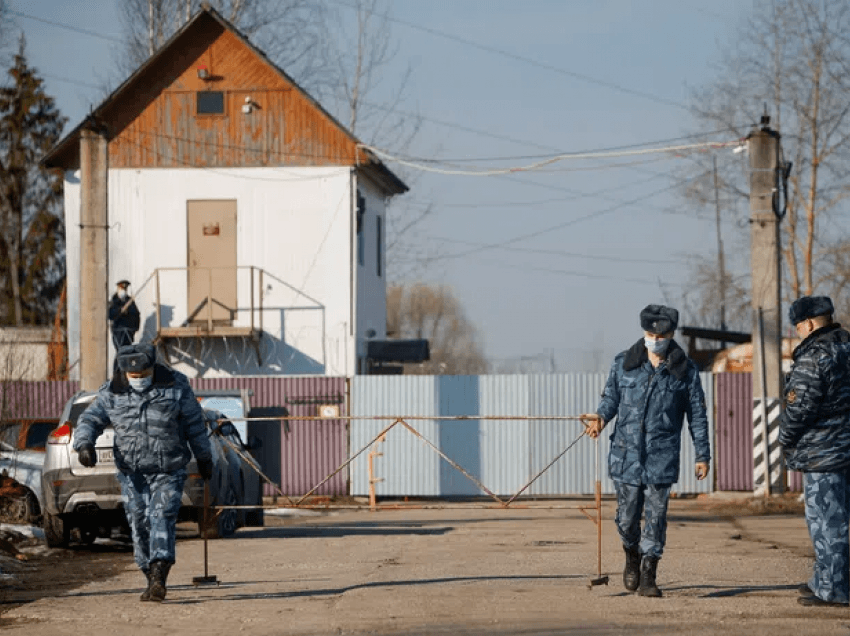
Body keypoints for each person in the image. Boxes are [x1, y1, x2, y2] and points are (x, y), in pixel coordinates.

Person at [581, 304, 710, 598]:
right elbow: (610, 400)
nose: (655, 338)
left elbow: (698, 416)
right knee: (627, 518)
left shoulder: (685, 371)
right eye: (651, 333)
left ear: (671, 334)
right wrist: (599, 420)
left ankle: (650, 573)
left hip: (661, 457)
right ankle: (632, 556)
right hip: (625, 456)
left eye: (661, 334)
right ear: (644, 332)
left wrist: (703, 455)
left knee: (656, 516)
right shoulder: (623, 363)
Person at [72, 343, 214, 603]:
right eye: (133, 377)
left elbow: (195, 423)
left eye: (143, 374)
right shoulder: (111, 392)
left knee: (162, 516)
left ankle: (160, 572)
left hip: (168, 469)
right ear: (125, 372)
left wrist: (204, 457)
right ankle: (149, 573)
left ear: (152, 368)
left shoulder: (176, 387)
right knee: (139, 523)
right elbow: (90, 419)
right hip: (132, 473)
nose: (138, 379)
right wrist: (84, 444)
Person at [779, 295, 850, 608]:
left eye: (797, 326)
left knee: (825, 522)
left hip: (824, 454)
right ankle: (823, 580)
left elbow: (799, 409)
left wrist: (785, 438)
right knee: (837, 519)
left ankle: (833, 590)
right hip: (845, 449)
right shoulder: (846, 347)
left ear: (807, 323)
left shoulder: (814, 355)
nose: (797, 332)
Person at [108, 280, 140, 350]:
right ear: (118, 289)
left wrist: (134, 329)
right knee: (120, 352)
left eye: (125, 289)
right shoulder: (114, 301)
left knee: (126, 352)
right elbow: (110, 315)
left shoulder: (130, 301)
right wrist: (120, 311)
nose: (124, 291)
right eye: (122, 289)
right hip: (118, 331)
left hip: (128, 332)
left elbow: (136, 314)